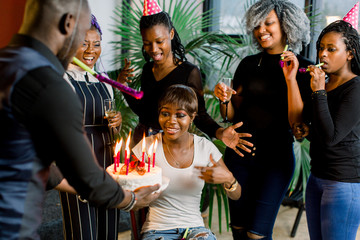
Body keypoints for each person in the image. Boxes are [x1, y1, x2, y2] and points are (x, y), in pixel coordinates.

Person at [0, 1, 159, 239]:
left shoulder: (7, 63)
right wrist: (131, 199)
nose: (90, 50)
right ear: (68, 24)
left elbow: (37, 162)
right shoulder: (50, 83)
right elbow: (87, 179)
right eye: (83, 38)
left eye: (96, 43)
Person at [214, 0, 313, 239]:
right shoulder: (248, 64)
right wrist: (224, 99)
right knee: (238, 228)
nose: (261, 30)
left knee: (257, 233)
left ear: (286, 25)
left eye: (268, 23)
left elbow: (298, 124)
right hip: (239, 158)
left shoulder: (304, 70)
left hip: (275, 162)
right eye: (256, 25)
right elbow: (230, 116)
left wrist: (290, 77)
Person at [118, 0, 253, 157]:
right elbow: (144, 111)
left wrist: (220, 132)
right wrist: (122, 85)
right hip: (141, 141)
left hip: (172, 144)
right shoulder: (148, 69)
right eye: (147, 43)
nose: (153, 49)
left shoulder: (189, 72)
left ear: (171, 34)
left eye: (159, 41)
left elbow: (200, 115)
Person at [130, 84, 241, 240]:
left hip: (195, 229)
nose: (171, 121)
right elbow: (130, 200)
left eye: (180, 115)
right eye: (165, 114)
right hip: (157, 231)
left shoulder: (205, 147)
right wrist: (142, 195)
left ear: (192, 117)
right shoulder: (146, 147)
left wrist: (230, 179)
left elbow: (236, 195)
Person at [286, 20, 360, 240]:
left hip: (343, 182)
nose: (323, 55)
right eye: (321, 48)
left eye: (331, 49)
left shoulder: (356, 88)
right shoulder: (323, 83)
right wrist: (291, 79)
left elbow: (330, 137)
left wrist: (319, 91)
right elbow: (299, 120)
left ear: (349, 54)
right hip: (317, 177)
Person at [54, 14, 124, 239]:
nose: (90, 50)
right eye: (83, 44)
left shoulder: (105, 82)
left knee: (108, 231)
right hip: (78, 166)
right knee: (82, 232)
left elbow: (113, 133)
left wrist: (117, 124)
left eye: (96, 44)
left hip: (108, 166)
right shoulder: (61, 80)